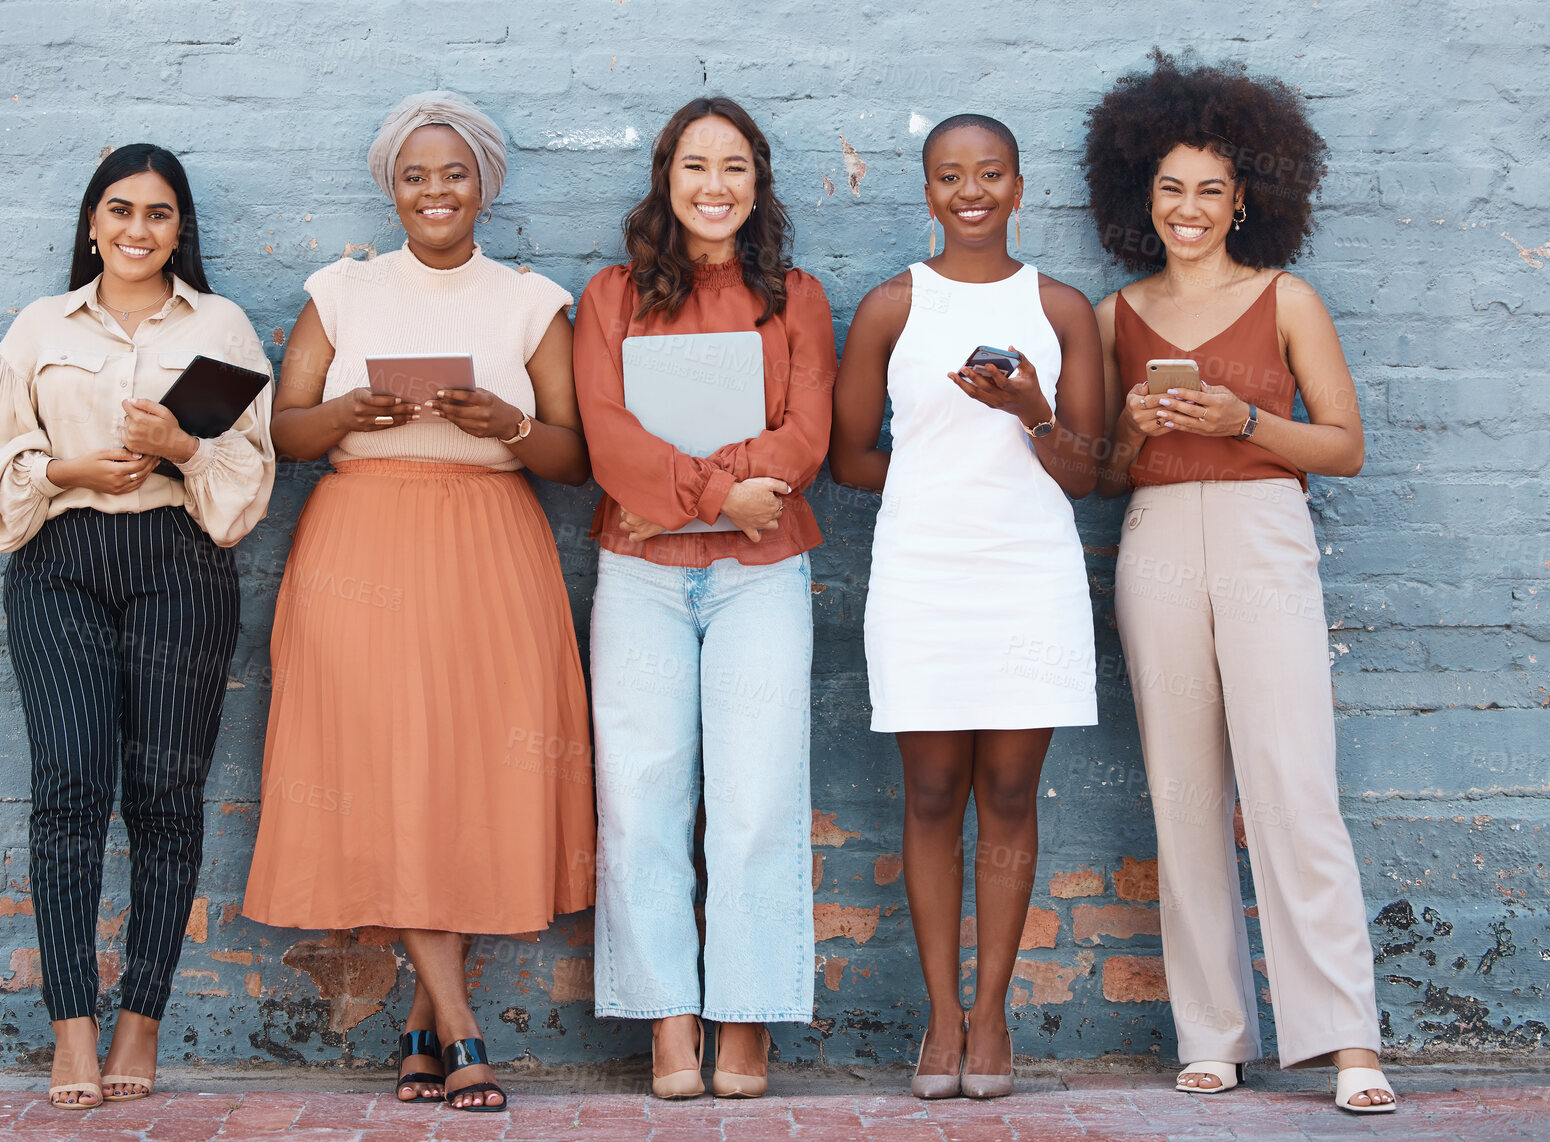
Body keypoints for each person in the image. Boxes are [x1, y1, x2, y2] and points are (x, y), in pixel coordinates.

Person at [239, 91, 594, 1114]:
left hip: (490, 546)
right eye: (413, 174)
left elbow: (576, 459)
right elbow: (286, 431)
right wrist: (348, 410)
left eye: (453, 173)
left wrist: (510, 424)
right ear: (389, 187)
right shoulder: (341, 291)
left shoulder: (531, 300)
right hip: (362, 544)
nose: (434, 191)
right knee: (395, 774)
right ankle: (464, 1029)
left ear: (484, 183)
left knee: (469, 777)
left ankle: (420, 1026)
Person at [1083, 52, 1394, 1115]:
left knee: (1293, 785)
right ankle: (1210, 1030)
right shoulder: (1113, 313)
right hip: (1157, 532)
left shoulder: (1284, 296)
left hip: (1264, 530)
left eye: (1210, 188)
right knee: (1182, 791)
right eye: (1171, 187)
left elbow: (1344, 444)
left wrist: (1244, 421)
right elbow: (1105, 474)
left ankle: (1346, 1036)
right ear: (1144, 197)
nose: (1189, 207)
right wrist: (1128, 430)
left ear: (1243, 199)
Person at [0, 144, 276, 1109]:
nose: (138, 230)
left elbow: (247, 481)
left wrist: (180, 446)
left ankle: (141, 1014)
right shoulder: (38, 327)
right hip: (60, 567)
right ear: (92, 225)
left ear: (181, 229)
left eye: (159, 214)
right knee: (67, 785)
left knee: (165, 793)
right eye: (121, 211)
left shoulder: (221, 325)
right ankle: (71, 1028)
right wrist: (68, 472)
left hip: (181, 563)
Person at [830, 115, 1103, 1099]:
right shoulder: (891, 306)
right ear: (928, 191)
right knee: (933, 792)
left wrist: (1027, 411)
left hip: (1028, 570)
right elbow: (848, 455)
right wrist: (932, 470)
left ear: (1020, 187)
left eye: (990, 173)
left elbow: (1090, 469)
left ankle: (992, 1019)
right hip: (922, 574)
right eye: (950, 175)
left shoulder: (1062, 308)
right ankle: (939, 1019)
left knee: (1010, 796)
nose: (971, 190)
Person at [574, 96, 835, 1100]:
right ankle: (668, 1018)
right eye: (695, 166)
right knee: (641, 797)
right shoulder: (610, 295)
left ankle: (747, 1013)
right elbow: (606, 435)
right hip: (638, 574)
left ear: (757, 182)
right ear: (665, 179)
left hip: (760, 575)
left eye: (735, 167)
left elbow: (802, 433)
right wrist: (717, 493)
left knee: (757, 796)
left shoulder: (796, 297)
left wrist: (700, 498)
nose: (714, 186)